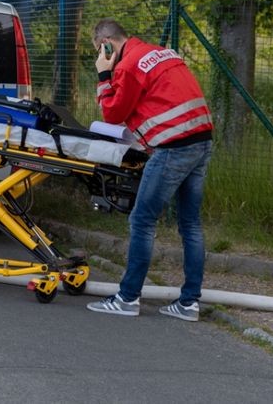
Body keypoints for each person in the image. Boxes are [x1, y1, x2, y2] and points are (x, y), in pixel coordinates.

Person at [86, 19, 214, 321]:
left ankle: (128, 298)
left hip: (173, 148)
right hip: (202, 141)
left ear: (107, 43)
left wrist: (104, 75)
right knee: (190, 225)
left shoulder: (128, 65)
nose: (102, 57)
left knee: (142, 220)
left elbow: (114, 113)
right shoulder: (161, 53)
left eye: (100, 50)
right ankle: (188, 304)